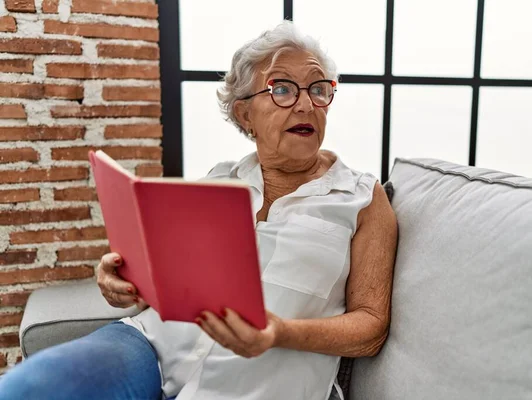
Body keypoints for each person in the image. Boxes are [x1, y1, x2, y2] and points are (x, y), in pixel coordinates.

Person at [0, 21, 398, 400]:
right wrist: (121, 279)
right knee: (28, 389)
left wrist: (280, 332)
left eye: (318, 89)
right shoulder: (218, 181)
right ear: (245, 115)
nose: (306, 105)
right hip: (147, 345)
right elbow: (168, 282)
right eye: (282, 89)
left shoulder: (362, 197)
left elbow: (370, 327)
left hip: (261, 382)